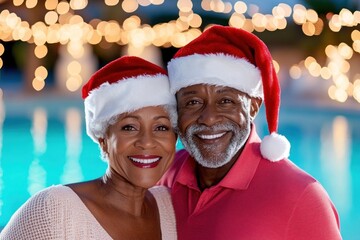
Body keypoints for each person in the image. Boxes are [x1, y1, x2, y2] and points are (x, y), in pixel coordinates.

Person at [159, 25, 342, 239]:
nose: (208, 118)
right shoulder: (164, 174)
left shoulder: (301, 195)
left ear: (253, 106)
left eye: (226, 101)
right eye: (193, 102)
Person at [1, 56, 178, 240]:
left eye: (161, 128)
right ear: (103, 139)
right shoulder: (55, 211)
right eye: (129, 127)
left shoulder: (170, 206)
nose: (147, 142)